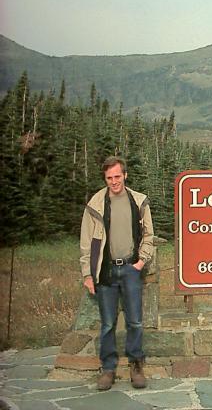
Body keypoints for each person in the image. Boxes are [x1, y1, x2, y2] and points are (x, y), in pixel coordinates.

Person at [80, 156, 155, 390]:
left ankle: (136, 365)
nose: (114, 181)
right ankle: (109, 368)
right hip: (106, 271)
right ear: (105, 178)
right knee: (108, 324)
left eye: (117, 176)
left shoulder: (138, 201)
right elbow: (86, 242)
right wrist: (87, 274)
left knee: (134, 321)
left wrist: (141, 262)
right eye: (109, 177)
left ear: (125, 175)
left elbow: (149, 236)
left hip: (131, 269)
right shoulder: (96, 204)